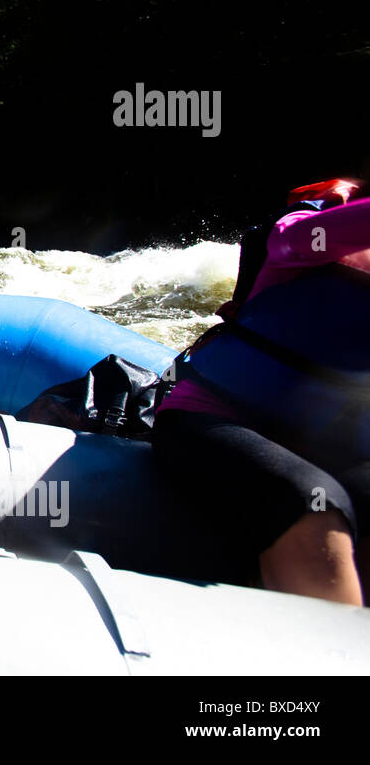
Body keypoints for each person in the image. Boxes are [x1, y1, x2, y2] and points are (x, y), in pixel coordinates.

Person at [153, 177, 370, 605]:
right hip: (211, 420)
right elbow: (291, 240)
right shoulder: (307, 228)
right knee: (312, 503)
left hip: (336, 444)